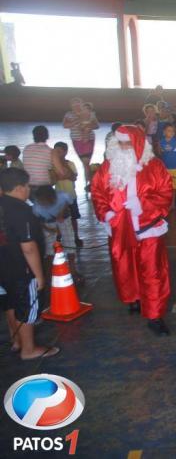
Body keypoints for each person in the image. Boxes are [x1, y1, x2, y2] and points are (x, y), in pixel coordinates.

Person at [90, 125, 173, 335]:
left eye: (127, 142)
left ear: (137, 143)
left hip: (148, 228)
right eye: (119, 142)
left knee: (153, 272)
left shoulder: (154, 166)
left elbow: (165, 193)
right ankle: (133, 298)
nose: (123, 147)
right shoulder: (107, 167)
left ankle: (155, 316)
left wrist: (144, 206)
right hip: (118, 228)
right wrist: (107, 213)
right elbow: (97, 191)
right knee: (124, 267)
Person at [0, 168, 60, 360]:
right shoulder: (21, 210)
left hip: (3, 266)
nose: (28, 190)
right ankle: (29, 350)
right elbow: (29, 247)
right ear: (19, 188)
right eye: (27, 186)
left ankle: (16, 341)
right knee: (26, 306)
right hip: (22, 269)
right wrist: (39, 275)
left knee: (9, 303)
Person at [31, 185, 83, 281]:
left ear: (52, 197)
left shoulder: (62, 196)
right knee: (49, 247)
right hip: (47, 222)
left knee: (70, 242)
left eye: (45, 201)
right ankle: (51, 272)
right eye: (41, 201)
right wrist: (49, 229)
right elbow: (39, 222)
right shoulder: (37, 207)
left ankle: (72, 269)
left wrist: (61, 213)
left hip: (63, 218)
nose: (43, 203)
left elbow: (67, 202)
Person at [22, 126, 66, 196]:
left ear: (33, 136)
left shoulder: (27, 148)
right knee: (66, 198)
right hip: (43, 189)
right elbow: (62, 173)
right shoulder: (51, 151)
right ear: (47, 136)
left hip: (28, 188)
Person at [53, 142, 82, 247]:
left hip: (71, 195)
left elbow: (74, 177)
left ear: (65, 152)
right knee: (59, 217)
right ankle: (59, 236)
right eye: (55, 151)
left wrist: (64, 166)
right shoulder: (53, 165)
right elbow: (53, 179)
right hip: (59, 196)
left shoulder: (70, 163)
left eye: (60, 151)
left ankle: (76, 236)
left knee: (74, 217)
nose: (57, 154)